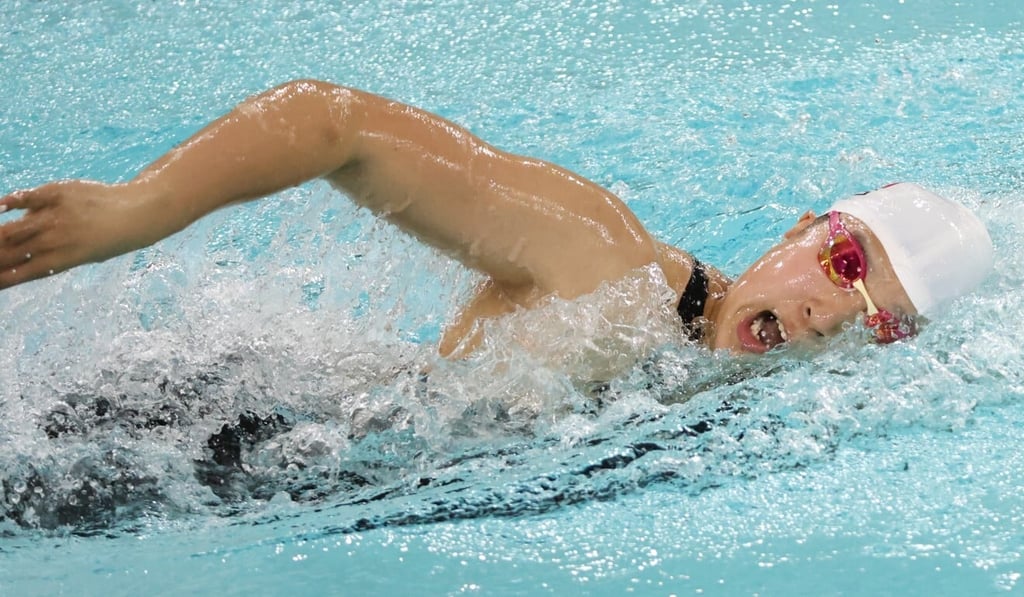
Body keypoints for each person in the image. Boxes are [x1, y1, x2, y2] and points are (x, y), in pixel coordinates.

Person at [0, 79, 994, 359]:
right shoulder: (606, 261)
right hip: (226, 443)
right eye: (843, 259)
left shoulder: (696, 373)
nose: (827, 308)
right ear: (797, 229)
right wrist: (140, 209)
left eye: (875, 318)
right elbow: (332, 123)